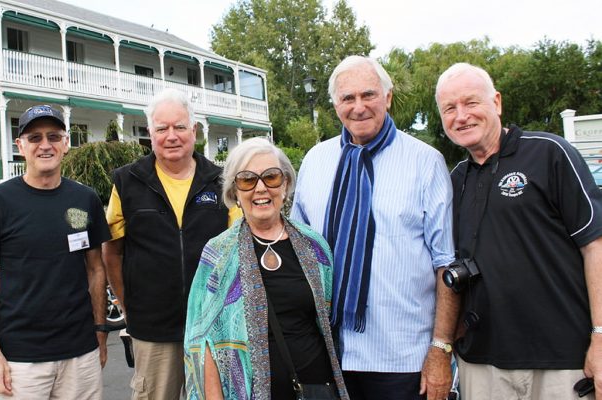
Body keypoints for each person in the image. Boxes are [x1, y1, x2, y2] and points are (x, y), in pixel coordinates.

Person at [290, 55, 458, 400]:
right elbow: (298, 252)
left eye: (368, 94)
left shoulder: (425, 162)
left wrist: (441, 349)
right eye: (347, 98)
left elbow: (446, 264)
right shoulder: (315, 161)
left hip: (403, 358)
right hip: (328, 356)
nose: (359, 106)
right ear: (335, 105)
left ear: (388, 97)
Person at [435, 62, 602, 399]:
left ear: (496, 102)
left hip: (560, 362)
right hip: (482, 364)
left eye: (471, 102)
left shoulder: (549, 153)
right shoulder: (454, 180)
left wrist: (600, 335)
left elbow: (594, 245)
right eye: (449, 108)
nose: (461, 116)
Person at [184, 138, 349, 399]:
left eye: (271, 177)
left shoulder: (314, 246)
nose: (260, 188)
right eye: (247, 180)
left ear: (285, 185)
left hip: (318, 388)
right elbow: (201, 340)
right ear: (235, 192)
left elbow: (329, 323)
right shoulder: (218, 254)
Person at [103, 88, 240, 400]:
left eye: (179, 127)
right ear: (150, 133)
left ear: (194, 130)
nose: (171, 136)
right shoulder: (127, 181)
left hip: (211, 326)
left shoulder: (221, 181)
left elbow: (237, 250)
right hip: (153, 330)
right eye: (162, 128)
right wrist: (128, 305)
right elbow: (111, 251)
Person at [0, 105, 111, 399]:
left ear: (66, 143)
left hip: (81, 355)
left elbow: (96, 269)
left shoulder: (85, 199)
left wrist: (100, 330)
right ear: (20, 146)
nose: (45, 145)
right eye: (34, 138)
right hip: (20, 360)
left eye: (53, 136)